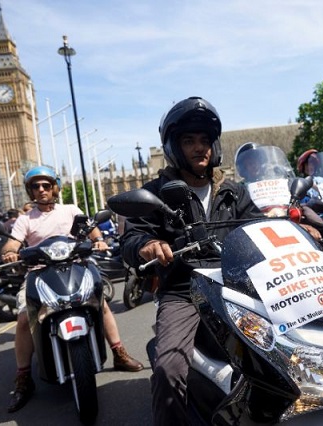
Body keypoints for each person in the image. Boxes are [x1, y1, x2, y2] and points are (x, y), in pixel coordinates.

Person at [120, 97, 263, 425]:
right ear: (173, 146)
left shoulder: (234, 192)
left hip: (239, 286)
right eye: (189, 141)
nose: (200, 148)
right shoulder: (156, 193)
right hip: (186, 290)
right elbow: (131, 239)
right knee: (169, 370)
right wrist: (148, 245)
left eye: (204, 140)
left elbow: (259, 226)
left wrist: (295, 226)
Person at [0, 165, 143, 414]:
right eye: (36, 186)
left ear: (54, 187)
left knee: (102, 305)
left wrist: (98, 240)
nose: (41, 190)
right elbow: (11, 244)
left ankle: (119, 352)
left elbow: (92, 231)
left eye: (46, 185)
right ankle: (23, 378)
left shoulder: (71, 210)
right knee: (24, 319)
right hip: (39, 273)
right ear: (30, 190)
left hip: (76, 267)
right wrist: (10, 252)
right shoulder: (25, 219)